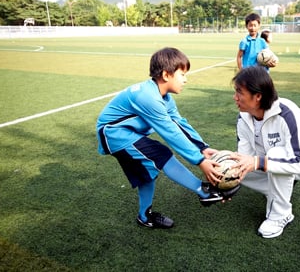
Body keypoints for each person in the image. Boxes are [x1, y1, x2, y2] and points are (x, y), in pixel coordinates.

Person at [96, 47, 240, 229]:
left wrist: (202, 147)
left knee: (147, 174)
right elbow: (170, 132)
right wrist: (200, 161)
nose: (186, 80)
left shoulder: (164, 97)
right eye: (182, 74)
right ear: (166, 75)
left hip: (127, 133)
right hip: (114, 133)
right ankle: (203, 191)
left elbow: (179, 123)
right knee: (160, 153)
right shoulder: (147, 97)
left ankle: (144, 216)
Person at [230, 66, 300, 239]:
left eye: (239, 92)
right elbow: (245, 157)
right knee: (229, 163)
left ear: (257, 96)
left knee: (275, 154)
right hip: (270, 158)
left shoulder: (287, 113)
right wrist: (226, 179)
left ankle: (281, 215)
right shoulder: (243, 117)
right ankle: (275, 189)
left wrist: (259, 163)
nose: (235, 97)